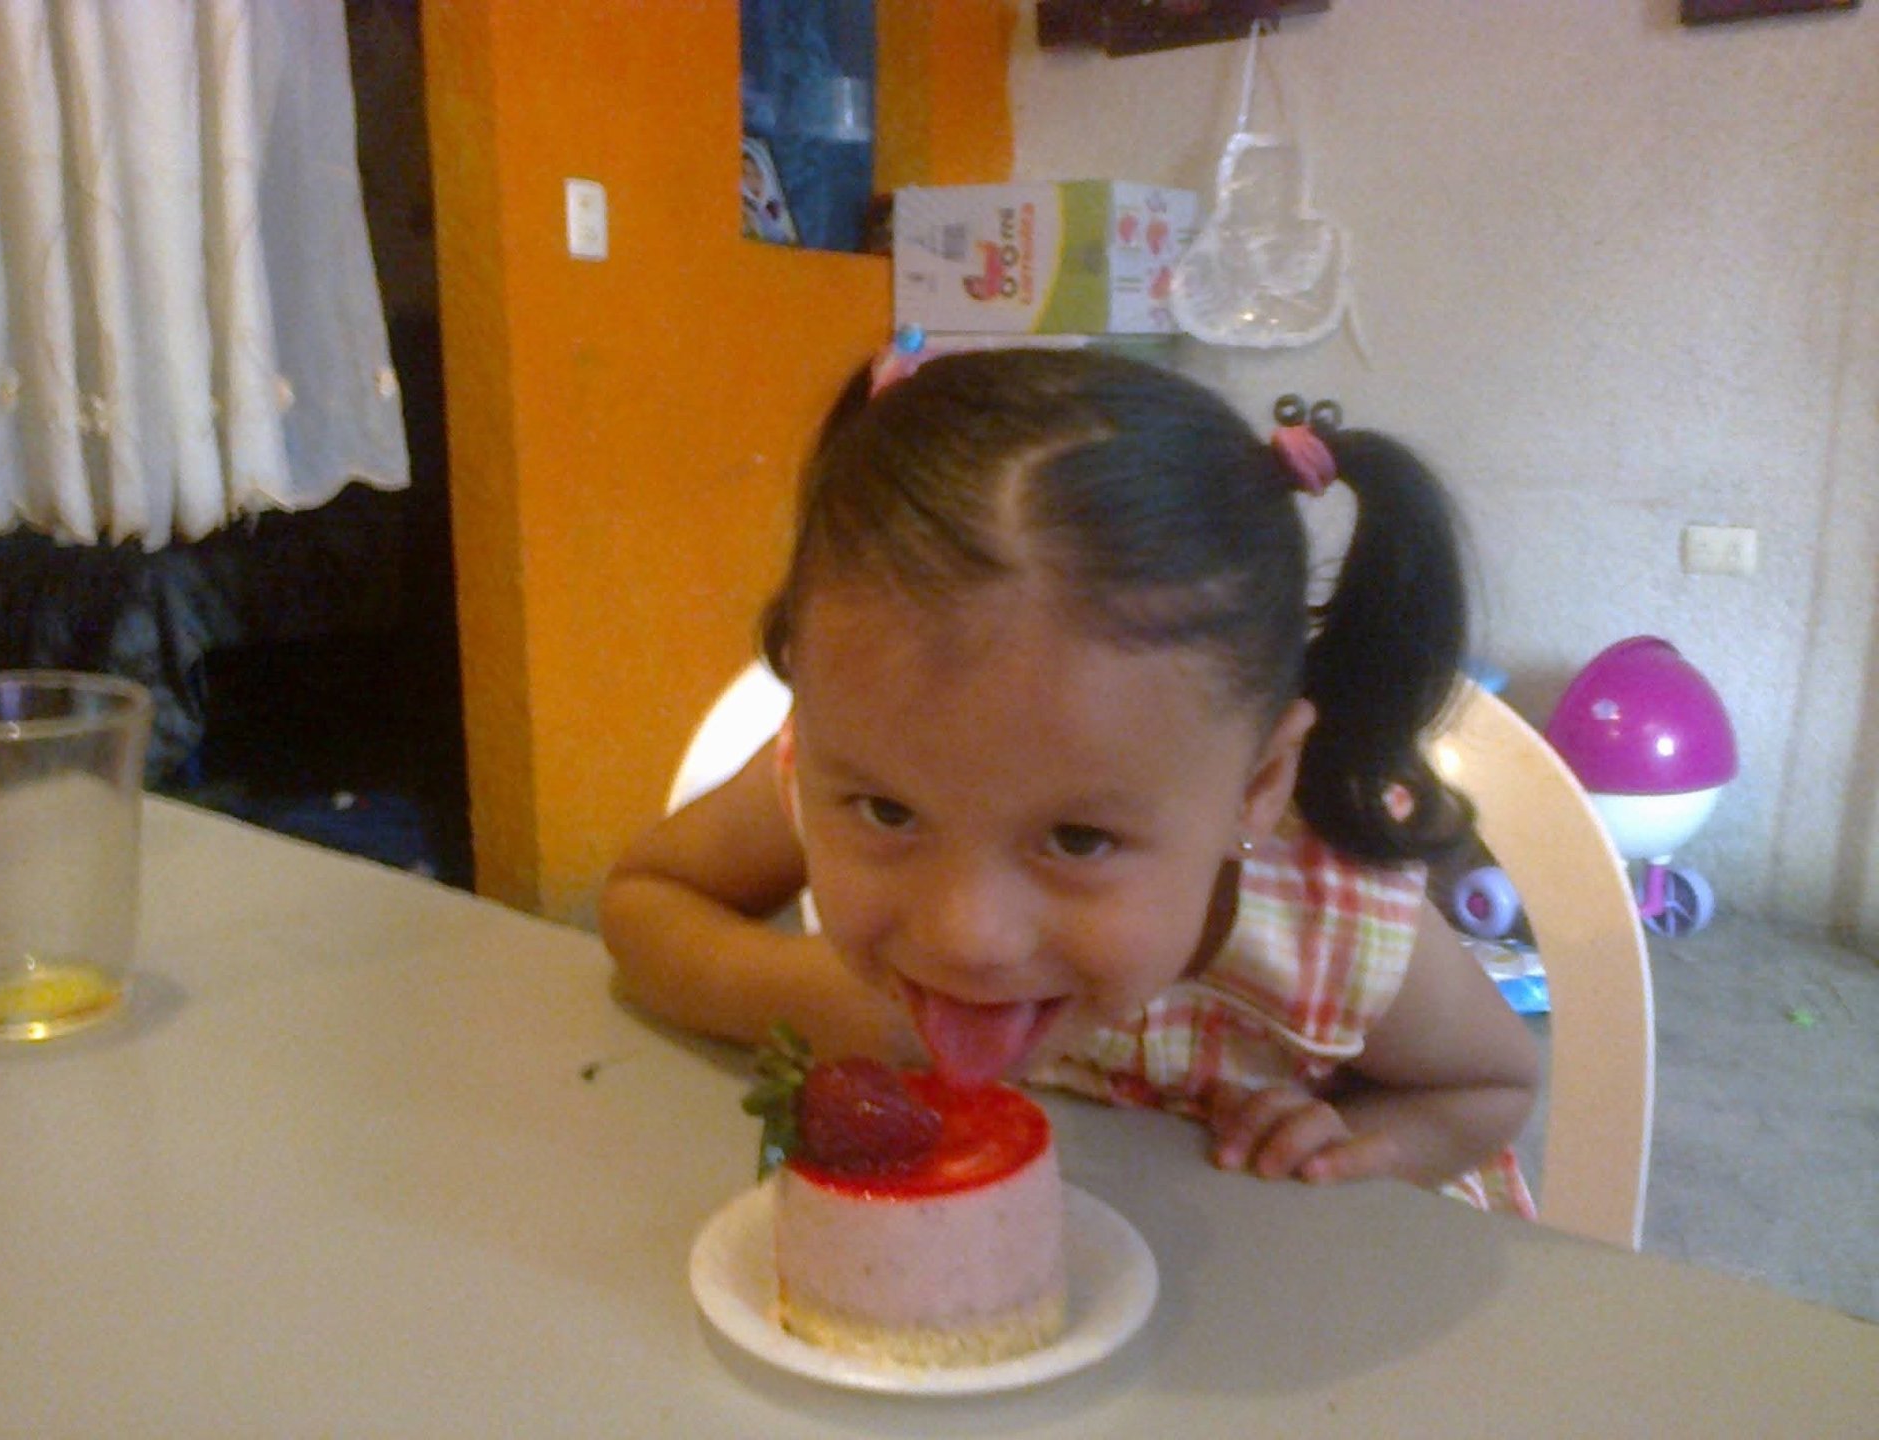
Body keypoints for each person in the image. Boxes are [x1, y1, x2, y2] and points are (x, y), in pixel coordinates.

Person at [601, 347, 1539, 1214]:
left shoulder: (1331, 921)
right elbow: (646, 900)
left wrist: (1361, 1146)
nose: (966, 935)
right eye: (890, 813)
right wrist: (827, 1004)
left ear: (1258, 785)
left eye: (1079, 840)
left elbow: (1491, 1084)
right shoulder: (834, 769)